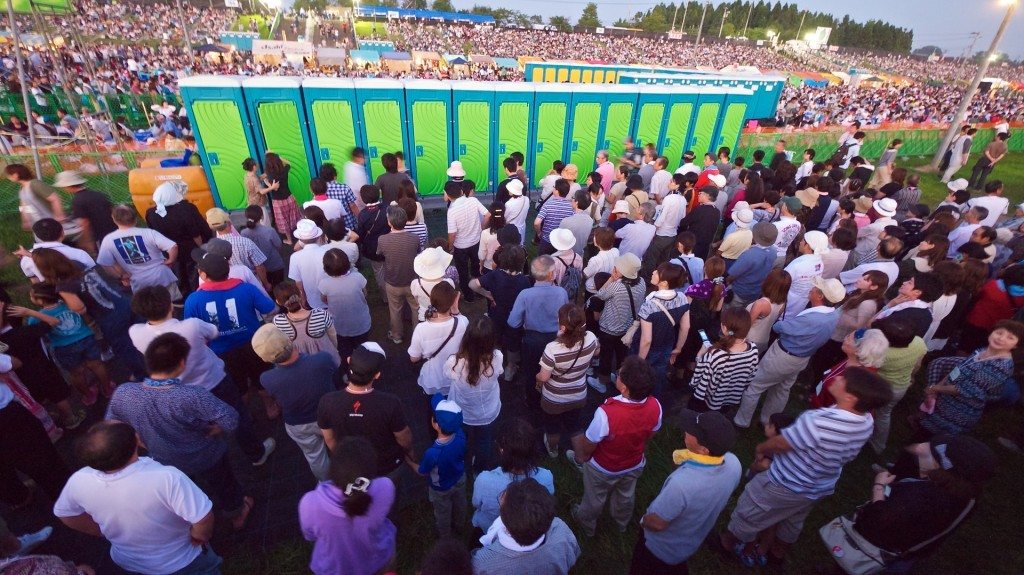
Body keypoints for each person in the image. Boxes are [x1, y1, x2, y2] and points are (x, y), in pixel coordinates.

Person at [719, 367, 893, 566]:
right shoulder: (866, 421)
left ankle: (727, 543)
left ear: (851, 397)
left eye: (843, 379)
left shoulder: (818, 421)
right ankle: (777, 553)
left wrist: (761, 447)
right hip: (819, 485)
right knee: (793, 519)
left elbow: (782, 443)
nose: (837, 378)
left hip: (786, 483)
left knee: (751, 510)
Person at [53, 421, 222, 574]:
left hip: (131, 563)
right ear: (136, 441)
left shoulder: (79, 480)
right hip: (183, 561)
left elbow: (65, 514)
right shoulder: (166, 478)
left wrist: (99, 531)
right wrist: (200, 536)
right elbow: (203, 517)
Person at [631, 410, 741, 574]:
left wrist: (643, 520)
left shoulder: (682, 484)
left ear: (704, 450)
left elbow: (657, 522)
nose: (686, 431)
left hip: (660, 549)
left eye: (692, 432)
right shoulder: (733, 463)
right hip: (689, 541)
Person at [184, 249, 280, 428]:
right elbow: (269, 307)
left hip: (221, 351)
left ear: (203, 275)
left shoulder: (193, 300)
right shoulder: (246, 288)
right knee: (262, 378)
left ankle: (244, 412)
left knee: (237, 386)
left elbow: (191, 328)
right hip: (254, 344)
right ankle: (270, 405)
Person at [567, 356, 661, 537]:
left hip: (604, 467)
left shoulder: (606, 413)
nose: (617, 374)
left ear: (624, 388)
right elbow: (652, 434)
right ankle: (622, 524)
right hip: (634, 463)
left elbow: (589, 445)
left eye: (619, 373)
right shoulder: (655, 405)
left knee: (594, 498)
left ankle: (586, 524)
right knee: (626, 495)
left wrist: (584, 457)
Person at [734, 277, 846, 428]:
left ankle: (741, 421)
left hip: (783, 356)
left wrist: (780, 324)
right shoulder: (834, 314)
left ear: (820, 296)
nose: (811, 289)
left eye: (814, 288)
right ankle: (769, 422)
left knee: (754, 386)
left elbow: (780, 328)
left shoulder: (813, 318)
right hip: (802, 357)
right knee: (782, 389)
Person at [299, 436, 396, 575]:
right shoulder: (385, 488)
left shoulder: (310, 503)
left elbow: (310, 536)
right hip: (379, 560)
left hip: (335, 569)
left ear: (333, 469)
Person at [317, 342, 415, 477]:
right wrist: (410, 455)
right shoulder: (390, 403)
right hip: (387, 467)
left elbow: (330, 439)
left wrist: (345, 460)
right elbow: (404, 438)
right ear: (377, 375)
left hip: (353, 467)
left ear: (349, 361)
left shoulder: (326, 401)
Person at [252, 324, 335, 481]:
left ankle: (326, 485)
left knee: (315, 456)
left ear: (264, 358)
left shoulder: (266, 379)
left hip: (298, 424)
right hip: (329, 416)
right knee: (339, 446)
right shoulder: (322, 359)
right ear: (290, 339)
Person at [918, 320, 1021, 438]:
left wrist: (934, 388)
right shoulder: (982, 350)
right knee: (920, 435)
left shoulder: (1000, 366)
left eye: (1010, 338)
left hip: (955, 414)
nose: (1001, 338)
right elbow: (957, 370)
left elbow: (964, 390)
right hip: (942, 401)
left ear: (1016, 345)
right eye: (999, 333)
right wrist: (935, 391)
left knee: (928, 443)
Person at [21, 282, 112, 404]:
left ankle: (89, 395)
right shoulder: (70, 304)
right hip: (86, 338)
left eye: (32, 296)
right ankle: (108, 388)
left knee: (76, 373)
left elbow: (37, 333)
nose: (30, 298)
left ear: (40, 301)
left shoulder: (36, 317)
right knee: (97, 365)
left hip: (63, 347)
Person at [0, 298, 80, 429]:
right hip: (45, 370)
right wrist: (30, 312)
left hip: (22, 378)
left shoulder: (1, 341)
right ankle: (71, 419)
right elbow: (53, 321)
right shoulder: (27, 331)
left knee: (37, 399)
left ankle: (48, 420)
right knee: (58, 396)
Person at [473, 478, 580, 574]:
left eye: (501, 502)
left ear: (505, 522)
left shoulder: (483, 563)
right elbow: (574, 556)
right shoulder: (561, 529)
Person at [535, 304, 600, 457]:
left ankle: (552, 450)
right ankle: (580, 459)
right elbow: (597, 352)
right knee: (575, 427)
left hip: (554, 398)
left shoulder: (553, 348)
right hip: (578, 394)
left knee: (552, 428)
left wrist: (537, 378)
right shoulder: (590, 338)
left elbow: (544, 377)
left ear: (562, 327)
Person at [472, 419, 555, 533]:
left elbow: (476, 503)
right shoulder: (546, 477)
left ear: (502, 450)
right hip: (529, 532)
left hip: (490, 530)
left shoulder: (484, 480)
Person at [443, 316, 503, 474]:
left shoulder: (455, 362)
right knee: (484, 441)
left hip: (464, 411)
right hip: (488, 411)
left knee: (461, 438)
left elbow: (448, 375)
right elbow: (499, 372)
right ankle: (479, 470)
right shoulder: (497, 357)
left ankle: (461, 463)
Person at [509, 255, 569, 393]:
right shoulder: (561, 292)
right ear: (550, 274)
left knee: (531, 372)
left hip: (532, 341)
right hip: (556, 339)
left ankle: (532, 400)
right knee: (554, 371)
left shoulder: (525, 294)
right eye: (554, 271)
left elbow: (513, 322)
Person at [813, 270, 888, 374]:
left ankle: (818, 382)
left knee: (823, 362)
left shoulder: (868, 304)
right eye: (862, 277)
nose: (859, 279)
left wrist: (841, 316)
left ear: (874, 287)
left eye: (865, 279)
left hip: (838, 339)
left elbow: (860, 325)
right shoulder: (859, 294)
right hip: (835, 333)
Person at [689, 306, 760, 414]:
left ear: (724, 327)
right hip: (729, 399)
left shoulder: (716, 355)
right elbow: (750, 377)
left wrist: (700, 355)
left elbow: (699, 378)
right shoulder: (753, 349)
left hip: (707, 401)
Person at [871, 318, 927, 455]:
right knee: (884, 415)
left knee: (868, 413)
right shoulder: (919, 343)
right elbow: (917, 365)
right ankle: (879, 445)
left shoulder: (881, 352)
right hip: (900, 387)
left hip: (877, 387)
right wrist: (912, 377)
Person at [592, 254, 647, 391]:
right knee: (622, 355)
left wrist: (611, 278)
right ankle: (620, 379)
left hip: (609, 328)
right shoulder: (642, 283)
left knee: (606, 355)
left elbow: (600, 295)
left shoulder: (616, 286)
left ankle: (602, 382)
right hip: (627, 327)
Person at [145, 181, 211, 295]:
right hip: (190, 249)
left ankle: (183, 296)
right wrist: (202, 248)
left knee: (178, 274)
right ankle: (197, 294)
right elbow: (196, 233)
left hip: (169, 251)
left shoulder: (151, 213)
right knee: (194, 274)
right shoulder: (186, 209)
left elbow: (153, 233)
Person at [97, 205, 179, 295]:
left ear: (114, 219)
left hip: (138, 282)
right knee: (173, 305)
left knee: (148, 307)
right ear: (135, 218)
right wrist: (171, 260)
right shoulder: (149, 233)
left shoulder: (109, 240)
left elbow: (104, 263)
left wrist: (120, 276)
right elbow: (173, 246)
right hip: (162, 277)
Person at [636, 263, 691, 398]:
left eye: (657, 272)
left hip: (648, 349)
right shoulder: (682, 298)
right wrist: (678, 348)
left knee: (640, 380)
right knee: (658, 377)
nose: (653, 271)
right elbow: (686, 326)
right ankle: (654, 404)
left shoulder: (649, 304)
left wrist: (638, 362)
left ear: (664, 282)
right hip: (667, 344)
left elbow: (646, 340)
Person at [417, 397, 467, 538]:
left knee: (442, 511)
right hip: (459, 477)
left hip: (441, 488)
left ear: (435, 424)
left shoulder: (433, 453)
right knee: (460, 503)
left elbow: (422, 471)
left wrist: (409, 462)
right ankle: (460, 525)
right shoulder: (461, 435)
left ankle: (445, 535)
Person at [409, 282, 468, 396]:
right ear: (453, 301)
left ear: (431, 301)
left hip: (433, 379)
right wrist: (455, 307)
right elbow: (460, 317)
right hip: (456, 375)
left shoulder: (421, 328)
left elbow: (414, 358)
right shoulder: (462, 322)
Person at [376, 206, 422, 344]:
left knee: (395, 310)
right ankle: (417, 337)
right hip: (412, 281)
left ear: (389, 222)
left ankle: (396, 336)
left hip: (392, 282)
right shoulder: (414, 238)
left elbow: (380, 254)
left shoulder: (382, 239)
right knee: (416, 309)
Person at [272, 282, 340, 366]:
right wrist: (335, 349)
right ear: (300, 294)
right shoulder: (321, 314)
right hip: (327, 361)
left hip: (301, 365)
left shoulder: (278, 321)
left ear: (278, 302)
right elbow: (333, 337)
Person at [53, 169, 116, 253]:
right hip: (113, 230)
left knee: (106, 259)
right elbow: (112, 210)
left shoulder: (77, 200)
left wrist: (87, 241)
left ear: (68, 186)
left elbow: (84, 223)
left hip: (98, 235)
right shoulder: (99, 194)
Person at [205, 208, 270, 287]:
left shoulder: (211, 248)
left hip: (231, 286)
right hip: (253, 282)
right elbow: (259, 266)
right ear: (229, 223)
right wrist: (266, 283)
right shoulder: (245, 242)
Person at [447, 180, 490, 299]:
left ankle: (469, 296)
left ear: (448, 195)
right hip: (476, 242)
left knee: (463, 271)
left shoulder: (451, 211)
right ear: (461, 191)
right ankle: (479, 291)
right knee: (477, 267)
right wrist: (481, 228)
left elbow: (452, 234)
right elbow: (488, 215)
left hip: (460, 247)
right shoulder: (473, 200)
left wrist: (450, 247)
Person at [17, 218, 95, 282]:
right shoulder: (79, 254)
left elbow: (35, 282)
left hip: (52, 297)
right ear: (62, 234)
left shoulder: (26, 258)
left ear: (36, 237)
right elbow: (95, 274)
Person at [872, 272, 943, 339]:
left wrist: (889, 305)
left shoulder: (903, 314)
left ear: (917, 292)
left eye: (910, 282)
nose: (904, 283)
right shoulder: (926, 313)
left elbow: (871, 325)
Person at [727, 222, 779, 309]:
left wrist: (728, 282)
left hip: (739, 291)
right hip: (756, 292)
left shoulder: (749, 254)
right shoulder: (773, 251)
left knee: (730, 313)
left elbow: (732, 275)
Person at [4, 164, 65, 231]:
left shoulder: (35, 184)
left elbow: (55, 198)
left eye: (9, 175)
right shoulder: (22, 189)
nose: (8, 178)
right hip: (38, 224)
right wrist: (25, 221)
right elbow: (23, 206)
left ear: (15, 175)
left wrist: (59, 216)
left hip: (51, 221)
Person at [782, 231, 829, 317]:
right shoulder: (819, 263)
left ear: (808, 245)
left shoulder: (798, 265)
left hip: (786, 304)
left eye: (803, 240)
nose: (800, 242)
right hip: (800, 305)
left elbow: (782, 283)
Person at [745, 269, 791, 356]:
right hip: (764, 338)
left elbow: (747, 325)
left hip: (749, 339)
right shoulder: (783, 303)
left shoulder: (761, 304)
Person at [241, 205, 286, 286]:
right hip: (274, 263)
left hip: (257, 267)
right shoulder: (269, 231)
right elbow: (278, 245)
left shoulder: (244, 233)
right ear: (261, 216)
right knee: (280, 287)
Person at [265, 152, 303, 243]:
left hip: (279, 202)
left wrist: (266, 182)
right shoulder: (284, 170)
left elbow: (275, 187)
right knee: (295, 217)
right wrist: (277, 156)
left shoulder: (270, 175)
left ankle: (289, 240)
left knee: (283, 220)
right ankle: (302, 236)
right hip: (289, 198)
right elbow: (289, 163)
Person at [677, 186, 722, 259]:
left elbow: (683, 223)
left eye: (700, 193)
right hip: (704, 248)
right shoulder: (717, 211)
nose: (698, 195)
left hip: (693, 246)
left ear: (707, 196)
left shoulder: (700, 209)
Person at [535, 179, 575, 256]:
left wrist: (539, 233)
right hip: (562, 240)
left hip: (547, 239)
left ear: (556, 191)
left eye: (554, 187)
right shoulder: (571, 206)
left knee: (543, 263)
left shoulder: (547, 205)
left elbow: (537, 223)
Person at [320, 162, 359, 230]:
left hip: (330, 227)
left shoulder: (320, 190)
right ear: (335, 176)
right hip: (347, 224)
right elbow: (352, 206)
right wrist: (360, 219)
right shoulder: (344, 188)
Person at [243, 157, 276, 224]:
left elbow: (258, 179)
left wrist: (267, 173)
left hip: (252, 202)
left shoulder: (248, 175)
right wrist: (272, 187)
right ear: (254, 166)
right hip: (258, 205)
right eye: (256, 163)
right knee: (264, 223)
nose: (257, 164)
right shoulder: (253, 179)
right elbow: (261, 191)